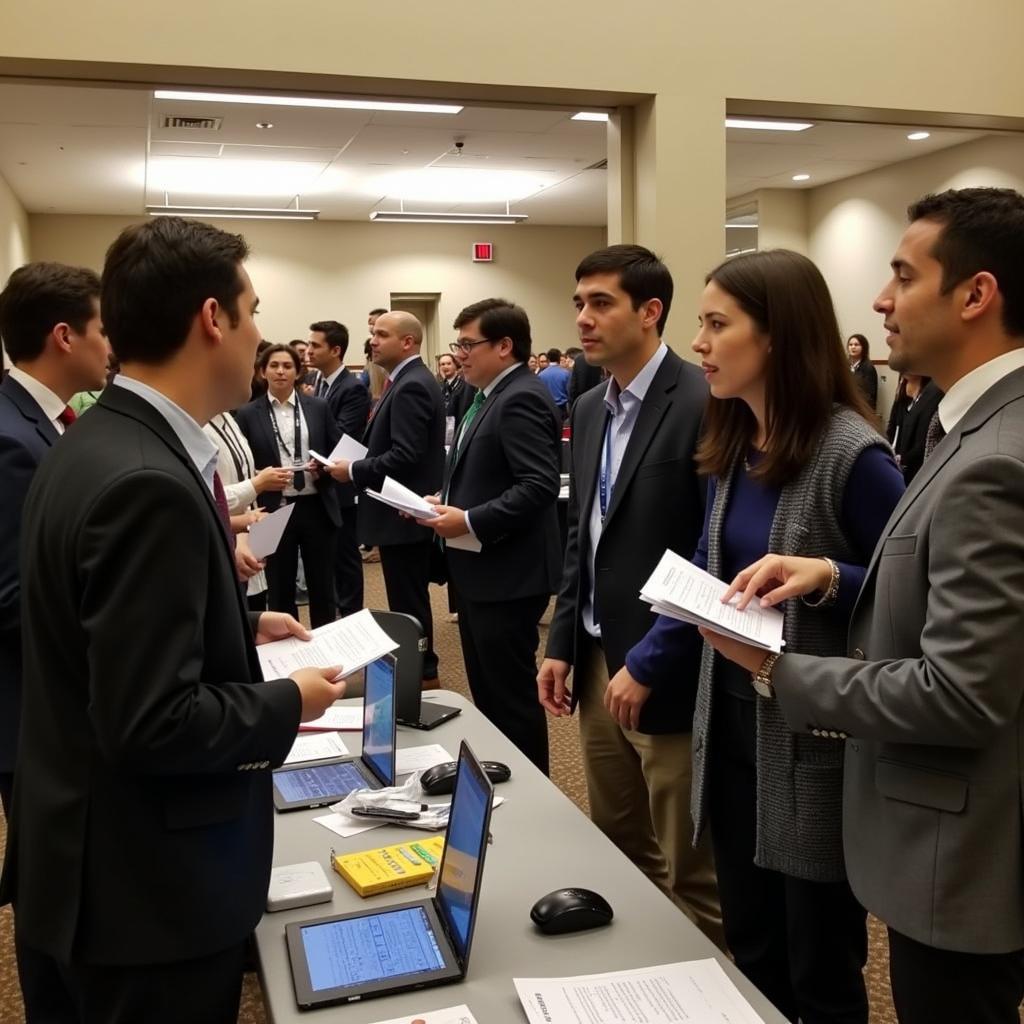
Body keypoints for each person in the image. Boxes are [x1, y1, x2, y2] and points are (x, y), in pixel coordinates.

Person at [0, 216, 345, 1024]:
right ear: (213, 319)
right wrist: (292, 700)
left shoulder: (98, 440)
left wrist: (225, 623)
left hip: (89, 859)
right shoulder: (144, 479)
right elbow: (153, 722)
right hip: (143, 894)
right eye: (253, 312)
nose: (261, 336)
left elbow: (95, 638)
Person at [702, 188, 1024, 1024]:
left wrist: (778, 671)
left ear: (976, 295)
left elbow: (961, 690)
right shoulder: (966, 428)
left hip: (957, 835)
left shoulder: (992, 456)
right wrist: (836, 576)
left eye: (902, 275)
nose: (880, 300)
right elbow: (924, 587)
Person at [624, 248, 905, 1023]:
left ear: (777, 335)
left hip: (814, 744)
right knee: (752, 945)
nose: (701, 344)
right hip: (736, 727)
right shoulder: (735, 444)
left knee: (818, 965)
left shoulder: (853, 455)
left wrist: (830, 575)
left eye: (718, 324)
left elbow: (908, 597)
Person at [537, 244, 722, 944]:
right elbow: (581, 536)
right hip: (594, 657)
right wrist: (560, 641)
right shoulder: (587, 407)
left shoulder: (703, 399)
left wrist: (652, 657)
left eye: (601, 303)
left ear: (651, 312)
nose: (583, 318)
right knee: (617, 846)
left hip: (668, 665)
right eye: (579, 302)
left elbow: (713, 551)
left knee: (692, 869)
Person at [420, 299, 561, 772]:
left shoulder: (520, 394)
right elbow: (489, 471)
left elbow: (538, 486)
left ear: (504, 346)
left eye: (467, 343)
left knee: (511, 700)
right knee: (491, 696)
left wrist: (470, 519)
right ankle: (503, 780)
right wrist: (449, 498)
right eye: (457, 343)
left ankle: (529, 788)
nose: (460, 353)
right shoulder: (485, 394)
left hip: (508, 574)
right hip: (482, 570)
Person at [0, 261, 109, 817]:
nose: (111, 346)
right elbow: (17, 597)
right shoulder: (12, 439)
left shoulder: (54, 422)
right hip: (35, 710)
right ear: (65, 337)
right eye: (103, 329)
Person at [325, 311, 445, 684]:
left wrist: (354, 470)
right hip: (400, 513)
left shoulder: (410, 384)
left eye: (381, 334)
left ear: (407, 342)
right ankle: (419, 671)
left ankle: (422, 676)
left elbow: (405, 454)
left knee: (408, 603)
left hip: (403, 513)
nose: (373, 341)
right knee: (408, 600)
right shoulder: (404, 380)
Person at [235, 343, 341, 627]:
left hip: (315, 505)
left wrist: (326, 469)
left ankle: (325, 647)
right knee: (279, 587)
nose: (281, 371)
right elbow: (242, 463)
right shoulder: (247, 413)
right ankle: (289, 650)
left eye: (287, 366)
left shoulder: (318, 407)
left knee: (322, 586)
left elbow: (336, 451)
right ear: (262, 372)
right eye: (274, 366)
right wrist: (261, 476)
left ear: (298, 372)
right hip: (272, 508)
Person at [306, 319, 370, 617]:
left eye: (314, 345)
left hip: (342, 486)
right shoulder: (319, 382)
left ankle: (352, 619)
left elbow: (344, 435)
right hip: (323, 484)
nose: (308, 351)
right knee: (328, 559)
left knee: (345, 559)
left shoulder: (352, 388)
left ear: (335, 350)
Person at [204, 409, 292, 610]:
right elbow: (205, 496)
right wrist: (256, 484)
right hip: (227, 544)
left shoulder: (227, 417)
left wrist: (259, 477)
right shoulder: (198, 426)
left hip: (247, 542)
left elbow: (238, 471)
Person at [885, 374, 942, 484]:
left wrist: (902, 459)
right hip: (900, 460)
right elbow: (893, 426)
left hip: (914, 469)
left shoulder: (932, 394)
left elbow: (922, 444)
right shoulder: (904, 397)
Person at [437, 351, 476, 446]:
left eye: (448, 363)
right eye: (442, 364)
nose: (445, 366)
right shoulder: (441, 386)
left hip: (459, 430)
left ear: (455, 365)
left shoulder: (464, 384)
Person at [847, 333, 878, 409]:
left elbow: (870, 396)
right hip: (846, 407)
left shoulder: (868, 368)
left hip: (862, 409)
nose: (853, 347)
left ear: (863, 347)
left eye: (856, 345)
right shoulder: (845, 365)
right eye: (850, 345)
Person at [538, 346, 571, 416]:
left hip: (547, 408)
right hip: (563, 408)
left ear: (548, 359)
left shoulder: (541, 375)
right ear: (559, 358)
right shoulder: (566, 373)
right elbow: (569, 392)